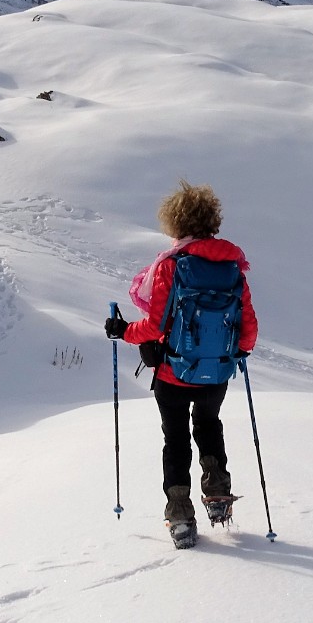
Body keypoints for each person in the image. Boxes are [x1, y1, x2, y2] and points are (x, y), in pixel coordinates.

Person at [105, 180, 258, 548]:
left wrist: (124, 331)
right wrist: (237, 353)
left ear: (175, 222)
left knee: (175, 441)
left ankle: (180, 518)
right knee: (208, 426)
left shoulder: (172, 266)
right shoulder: (233, 268)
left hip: (174, 373)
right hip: (216, 373)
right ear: (211, 220)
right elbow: (248, 326)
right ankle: (219, 494)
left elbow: (156, 325)